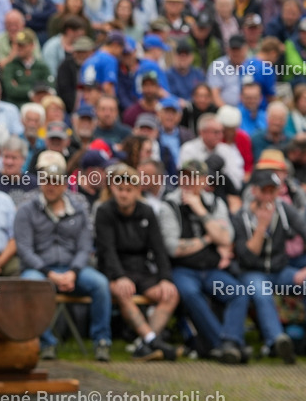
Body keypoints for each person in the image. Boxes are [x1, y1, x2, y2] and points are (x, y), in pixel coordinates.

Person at [15, 151, 111, 361]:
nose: (51, 186)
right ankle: (46, 343)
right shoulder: (26, 210)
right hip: (39, 270)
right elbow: (24, 249)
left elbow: (85, 247)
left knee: (101, 284)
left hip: (73, 269)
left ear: (65, 185)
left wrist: (73, 272)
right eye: (47, 181)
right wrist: (49, 273)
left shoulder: (79, 209)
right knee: (32, 284)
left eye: (56, 182)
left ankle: (102, 341)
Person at [158, 160, 249, 364]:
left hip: (211, 270)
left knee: (239, 293)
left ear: (205, 180)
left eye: (193, 177)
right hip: (183, 269)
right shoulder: (169, 205)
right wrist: (208, 238)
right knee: (190, 293)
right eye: (184, 176)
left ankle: (229, 342)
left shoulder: (215, 203)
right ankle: (224, 344)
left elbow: (226, 238)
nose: (187, 181)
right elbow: (173, 248)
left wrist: (200, 210)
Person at [94, 164, 180, 361]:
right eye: (120, 189)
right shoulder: (104, 211)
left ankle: (145, 344)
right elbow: (107, 250)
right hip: (113, 270)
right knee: (124, 291)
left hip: (141, 269)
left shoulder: (147, 211)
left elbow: (159, 249)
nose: (124, 194)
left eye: (128, 190)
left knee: (171, 294)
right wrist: (119, 276)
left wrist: (165, 278)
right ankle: (152, 341)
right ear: (112, 189)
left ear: (138, 190)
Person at [232, 168, 306, 364]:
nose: (268, 196)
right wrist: (261, 227)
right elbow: (247, 257)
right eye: (264, 190)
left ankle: (298, 340)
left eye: (272, 191)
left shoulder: (284, 209)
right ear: (254, 190)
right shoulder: (241, 216)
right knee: (262, 292)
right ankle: (278, 341)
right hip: (252, 273)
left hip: (280, 271)